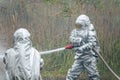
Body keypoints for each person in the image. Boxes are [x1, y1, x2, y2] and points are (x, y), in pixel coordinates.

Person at [66, 14, 100, 80]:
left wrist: (81, 48)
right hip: (79, 57)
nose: (78, 26)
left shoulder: (90, 32)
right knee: (71, 75)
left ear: (85, 24)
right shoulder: (75, 31)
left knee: (94, 76)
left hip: (89, 58)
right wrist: (78, 40)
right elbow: (71, 39)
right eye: (77, 24)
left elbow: (92, 43)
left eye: (80, 25)